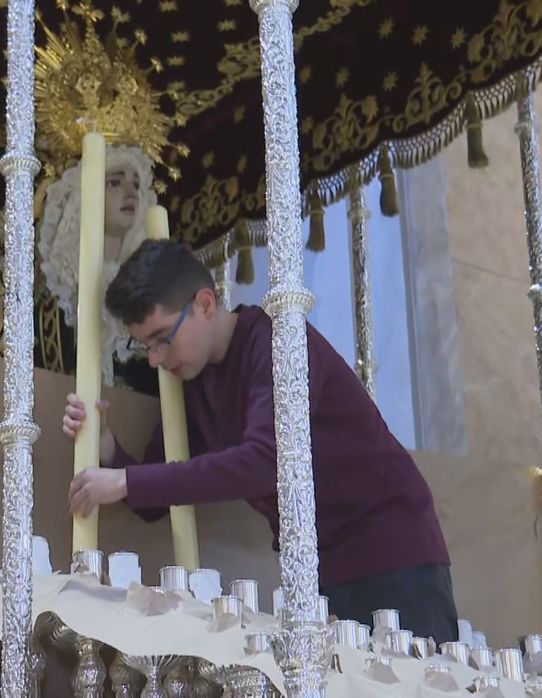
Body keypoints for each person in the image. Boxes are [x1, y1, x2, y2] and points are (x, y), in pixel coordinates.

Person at [61, 239, 458, 643]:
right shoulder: (191, 378)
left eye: (163, 338)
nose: (155, 359)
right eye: (145, 346)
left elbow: (267, 463)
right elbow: (157, 494)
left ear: (205, 304)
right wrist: (108, 447)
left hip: (391, 551)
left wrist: (125, 481)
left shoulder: (276, 344)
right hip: (316, 569)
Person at [0, 144, 159, 395]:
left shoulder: (150, 297)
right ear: (82, 196)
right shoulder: (49, 293)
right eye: (114, 183)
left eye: (136, 185)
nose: (131, 193)